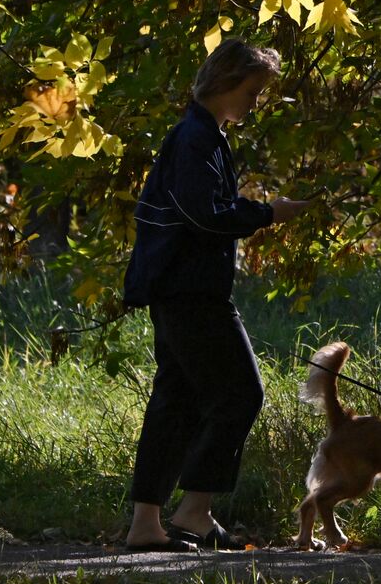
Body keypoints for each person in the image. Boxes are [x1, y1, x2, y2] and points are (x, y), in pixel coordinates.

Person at [121, 39, 312, 552]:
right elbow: (204, 215)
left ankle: (146, 524)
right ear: (225, 84)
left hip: (180, 288)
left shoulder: (205, 137)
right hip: (190, 292)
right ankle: (194, 510)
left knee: (176, 401)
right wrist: (267, 212)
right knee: (240, 393)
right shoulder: (194, 140)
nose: (255, 103)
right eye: (252, 92)